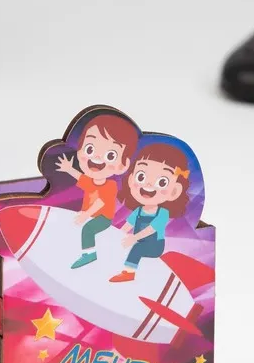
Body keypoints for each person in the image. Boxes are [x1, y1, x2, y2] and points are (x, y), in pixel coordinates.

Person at [56, 114, 139, 269]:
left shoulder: (110, 186)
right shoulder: (90, 181)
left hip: (103, 218)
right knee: (73, 226)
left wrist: (86, 214)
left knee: (88, 229)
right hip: (88, 214)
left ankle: (89, 254)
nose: (98, 157)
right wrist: (68, 168)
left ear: (122, 165)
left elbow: (101, 202)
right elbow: (80, 177)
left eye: (110, 155)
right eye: (90, 149)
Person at [109, 143, 190, 283]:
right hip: (138, 240)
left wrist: (134, 238)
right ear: (131, 180)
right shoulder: (138, 211)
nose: (148, 185)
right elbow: (128, 225)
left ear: (174, 191)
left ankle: (129, 273)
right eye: (141, 177)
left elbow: (151, 229)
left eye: (162, 182)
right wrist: (117, 236)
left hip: (155, 246)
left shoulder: (162, 213)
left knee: (136, 249)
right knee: (125, 246)